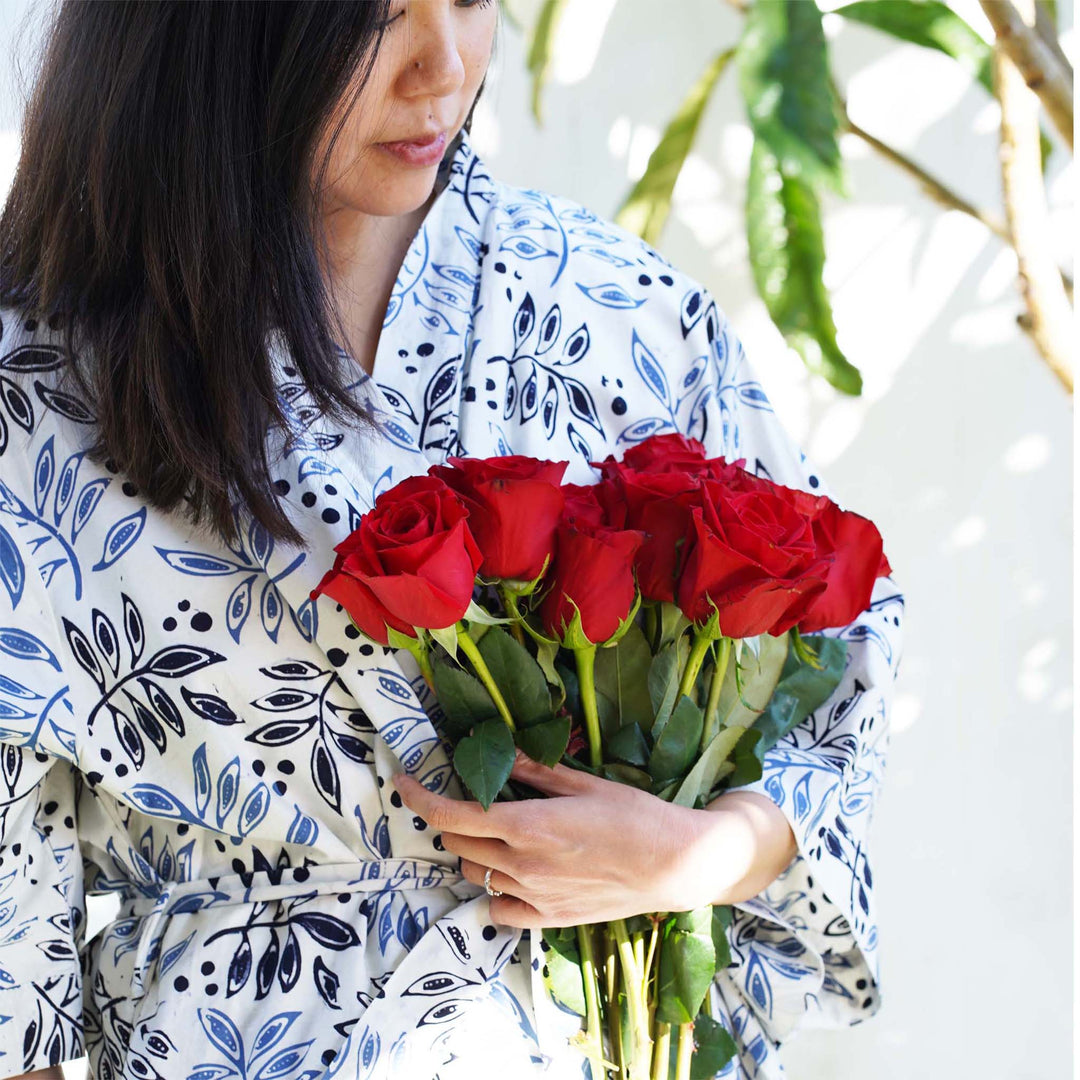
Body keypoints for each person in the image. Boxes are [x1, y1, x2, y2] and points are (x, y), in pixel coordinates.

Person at [0, 3, 905, 1079]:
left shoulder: (619, 310)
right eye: (377, 19)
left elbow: (843, 647)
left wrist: (710, 853)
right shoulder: (42, 384)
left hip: (584, 1034)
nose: (445, 67)